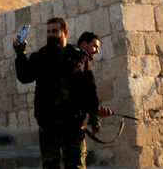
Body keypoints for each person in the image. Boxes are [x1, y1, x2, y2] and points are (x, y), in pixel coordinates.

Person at [14, 18, 100, 169]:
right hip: (48, 126)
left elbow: (89, 90)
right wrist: (21, 54)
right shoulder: (41, 56)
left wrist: (93, 117)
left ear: (65, 33)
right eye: (48, 32)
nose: (50, 35)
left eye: (54, 31)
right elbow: (24, 76)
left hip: (73, 126)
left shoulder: (79, 57)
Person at [76, 31, 112, 119]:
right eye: (95, 46)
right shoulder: (81, 57)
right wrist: (95, 111)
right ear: (84, 44)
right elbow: (87, 88)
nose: (97, 51)